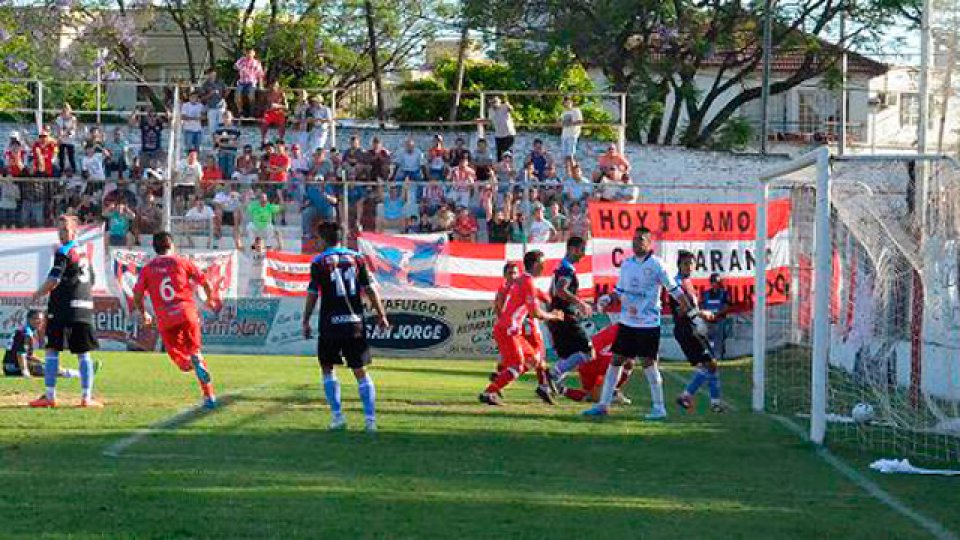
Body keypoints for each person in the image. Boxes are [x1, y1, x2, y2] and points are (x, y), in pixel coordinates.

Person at [584, 227, 693, 420]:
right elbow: (619, 291)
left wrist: (691, 312)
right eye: (634, 240)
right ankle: (603, 404)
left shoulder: (658, 265)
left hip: (648, 324)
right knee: (616, 360)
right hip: (627, 323)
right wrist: (607, 299)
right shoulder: (627, 265)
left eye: (641, 240)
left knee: (648, 364)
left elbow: (675, 290)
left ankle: (659, 408)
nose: (636, 243)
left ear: (649, 243)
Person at [302, 223, 390, 432]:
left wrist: (305, 319)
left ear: (324, 239)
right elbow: (369, 289)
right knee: (360, 370)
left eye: (318, 239)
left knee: (327, 368)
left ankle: (338, 417)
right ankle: (370, 421)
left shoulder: (319, 261)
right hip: (354, 322)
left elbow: (313, 293)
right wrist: (381, 315)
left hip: (330, 323)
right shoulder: (357, 258)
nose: (317, 243)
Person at [132, 232, 220, 409]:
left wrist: (144, 313)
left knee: (180, 360)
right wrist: (210, 299)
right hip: (187, 313)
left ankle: (190, 364)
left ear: (155, 249)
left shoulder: (148, 269)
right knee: (196, 352)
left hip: (166, 318)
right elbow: (205, 283)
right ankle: (209, 396)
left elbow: (137, 294)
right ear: (171, 246)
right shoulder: (182, 262)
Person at [28, 215, 101, 408]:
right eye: (60, 230)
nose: (62, 234)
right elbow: (91, 280)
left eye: (65, 230)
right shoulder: (84, 252)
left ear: (75, 231)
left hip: (62, 307)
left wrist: (36, 294)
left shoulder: (64, 251)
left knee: (52, 349)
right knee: (83, 353)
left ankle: (50, 396)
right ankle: (86, 397)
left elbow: (54, 280)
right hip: (84, 307)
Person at [479, 250, 564, 406]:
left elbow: (539, 295)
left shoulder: (522, 281)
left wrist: (553, 301)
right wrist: (554, 316)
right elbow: (535, 313)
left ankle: (502, 378)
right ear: (537, 264)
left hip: (511, 329)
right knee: (517, 365)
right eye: (543, 263)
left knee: (535, 359)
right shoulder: (526, 282)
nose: (545, 267)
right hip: (508, 329)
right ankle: (489, 391)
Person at [671, 251, 724, 413]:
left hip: (694, 327)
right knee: (710, 364)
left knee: (711, 364)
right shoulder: (676, 284)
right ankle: (690, 397)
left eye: (691, 263)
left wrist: (701, 315)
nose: (689, 267)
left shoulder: (688, 282)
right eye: (685, 263)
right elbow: (681, 311)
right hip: (686, 330)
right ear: (679, 265)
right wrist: (703, 314)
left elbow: (691, 307)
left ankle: (713, 404)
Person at [545, 237, 595, 390]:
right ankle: (553, 375)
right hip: (565, 316)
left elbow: (551, 292)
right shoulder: (566, 269)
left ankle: (552, 384)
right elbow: (561, 290)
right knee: (588, 352)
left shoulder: (560, 266)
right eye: (581, 250)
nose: (583, 255)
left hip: (559, 315)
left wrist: (550, 312)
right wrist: (580, 303)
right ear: (572, 249)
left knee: (567, 356)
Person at [3, 310, 80, 379]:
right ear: (29, 319)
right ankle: (77, 374)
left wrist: (44, 362)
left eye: (41, 320)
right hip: (14, 368)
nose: (40, 322)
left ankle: (75, 373)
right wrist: (25, 372)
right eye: (37, 319)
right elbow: (20, 354)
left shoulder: (25, 330)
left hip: (11, 366)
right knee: (52, 371)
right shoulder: (25, 333)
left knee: (50, 367)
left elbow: (28, 355)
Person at [701, 273, 732, 360]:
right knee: (707, 340)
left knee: (719, 340)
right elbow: (702, 306)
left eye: (717, 282)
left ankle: (718, 357)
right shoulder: (706, 293)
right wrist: (706, 315)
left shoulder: (724, 293)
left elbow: (727, 307)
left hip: (719, 320)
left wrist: (716, 315)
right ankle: (708, 358)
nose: (715, 284)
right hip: (707, 321)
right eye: (713, 282)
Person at [234, 49, 265, 118]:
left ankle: (251, 113)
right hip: (242, 81)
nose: (249, 55)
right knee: (237, 97)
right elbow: (235, 66)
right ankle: (241, 111)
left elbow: (260, 74)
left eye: (250, 53)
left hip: (251, 82)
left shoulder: (257, 63)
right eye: (248, 53)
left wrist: (261, 85)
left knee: (251, 97)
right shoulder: (242, 60)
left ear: (254, 54)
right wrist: (240, 67)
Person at [200, 68, 227, 139]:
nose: (211, 75)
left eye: (212, 73)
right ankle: (214, 144)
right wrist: (210, 94)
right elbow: (202, 98)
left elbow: (225, 92)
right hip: (211, 108)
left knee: (222, 128)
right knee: (212, 129)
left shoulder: (221, 82)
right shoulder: (205, 85)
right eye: (209, 73)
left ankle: (222, 143)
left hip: (221, 108)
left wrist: (224, 97)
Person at [488, 96, 516, 160]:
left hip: (509, 134)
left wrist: (508, 105)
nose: (494, 104)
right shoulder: (491, 110)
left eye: (495, 102)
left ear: (499, 102)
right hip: (498, 135)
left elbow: (511, 109)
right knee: (499, 155)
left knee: (507, 153)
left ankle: (509, 168)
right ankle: (500, 168)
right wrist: (480, 121)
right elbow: (490, 120)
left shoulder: (504, 106)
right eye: (492, 103)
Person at [55, 104, 78, 174]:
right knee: (61, 156)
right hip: (62, 140)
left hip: (70, 140)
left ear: (69, 110)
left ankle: (74, 170)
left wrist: (64, 133)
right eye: (64, 110)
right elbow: (59, 129)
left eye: (66, 110)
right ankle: (61, 170)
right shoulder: (59, 119)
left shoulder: (73, 118)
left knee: (71, 157)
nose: (65, 112)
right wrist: (60, 136)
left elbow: (73, 128)